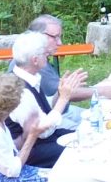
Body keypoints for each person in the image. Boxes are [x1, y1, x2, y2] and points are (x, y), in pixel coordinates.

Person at [7, 32, 89, 168]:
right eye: (46, 55)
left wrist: (60, 91)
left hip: (45, 140)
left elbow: (46, 111)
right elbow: (43, 131)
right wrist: (64, 98)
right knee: (85, 152)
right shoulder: (19, 90)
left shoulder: (30, 77)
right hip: (30, 151)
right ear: (35, 60)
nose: (48, 58)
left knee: (91, 138)